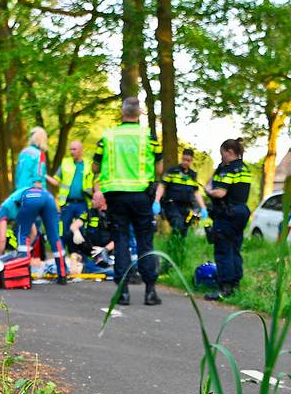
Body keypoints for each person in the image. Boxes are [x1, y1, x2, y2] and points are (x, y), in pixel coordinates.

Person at [91, 97, 163, 305]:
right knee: (145, 242)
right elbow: (158, 168)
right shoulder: (149, 137)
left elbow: (95, 167)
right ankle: (150, 291)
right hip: (142, 195)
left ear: (122, 113)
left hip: (116, 196)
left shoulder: (108, 137)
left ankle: (123, 292)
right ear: (139, 113)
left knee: (121, 241)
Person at [204, 138, 251, 301]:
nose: (221, 157)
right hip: (241, 211)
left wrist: (208, 190)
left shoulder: (229, 170)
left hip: (226, 213)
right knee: (235, 248)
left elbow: (220, 192)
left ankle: (224, 288)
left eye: (222, 154)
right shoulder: (244, 168)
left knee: (223, 250)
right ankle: (235, 284)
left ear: (229, 152)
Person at [0, 185, 67, 284]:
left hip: (31, 197)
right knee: (54, 237)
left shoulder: (2, 210)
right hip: (47, 196)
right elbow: (34, 233)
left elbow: (2, 238)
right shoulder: (17, 205)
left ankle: (24, 275)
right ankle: (62, 276)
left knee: (21, 235)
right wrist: (29, 248)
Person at [154, 148, 208, 240]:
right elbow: (162, 186)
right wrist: (157, 201)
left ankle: (178, 251)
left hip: (186, 207)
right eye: (183, 159)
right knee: (177, 224)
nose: (185, 162)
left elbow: (196, 192)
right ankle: (173, 248)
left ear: (191, 161)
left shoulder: (192, 175)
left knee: (184, 231)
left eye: (188, 160)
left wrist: (203, 207)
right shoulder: (172, 171)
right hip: (172, 205)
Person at [57, 140, 92, 237]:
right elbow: (56, 181)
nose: (72, 151)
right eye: (70, 149)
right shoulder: (65, 162)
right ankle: (62, 251)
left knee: (81, 230)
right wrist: (43, 176)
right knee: (63, 229)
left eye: (74, 149)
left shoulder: (89, 164)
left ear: (81, 150)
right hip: (68, 203)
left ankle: (80, 251)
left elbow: (95, 182)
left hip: (83, 203)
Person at [14, 127, 59, 191]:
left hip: (20, 190)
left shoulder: (23, 153)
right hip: (33, 192)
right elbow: (38, 175)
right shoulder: (40, 154)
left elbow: (17, 174)